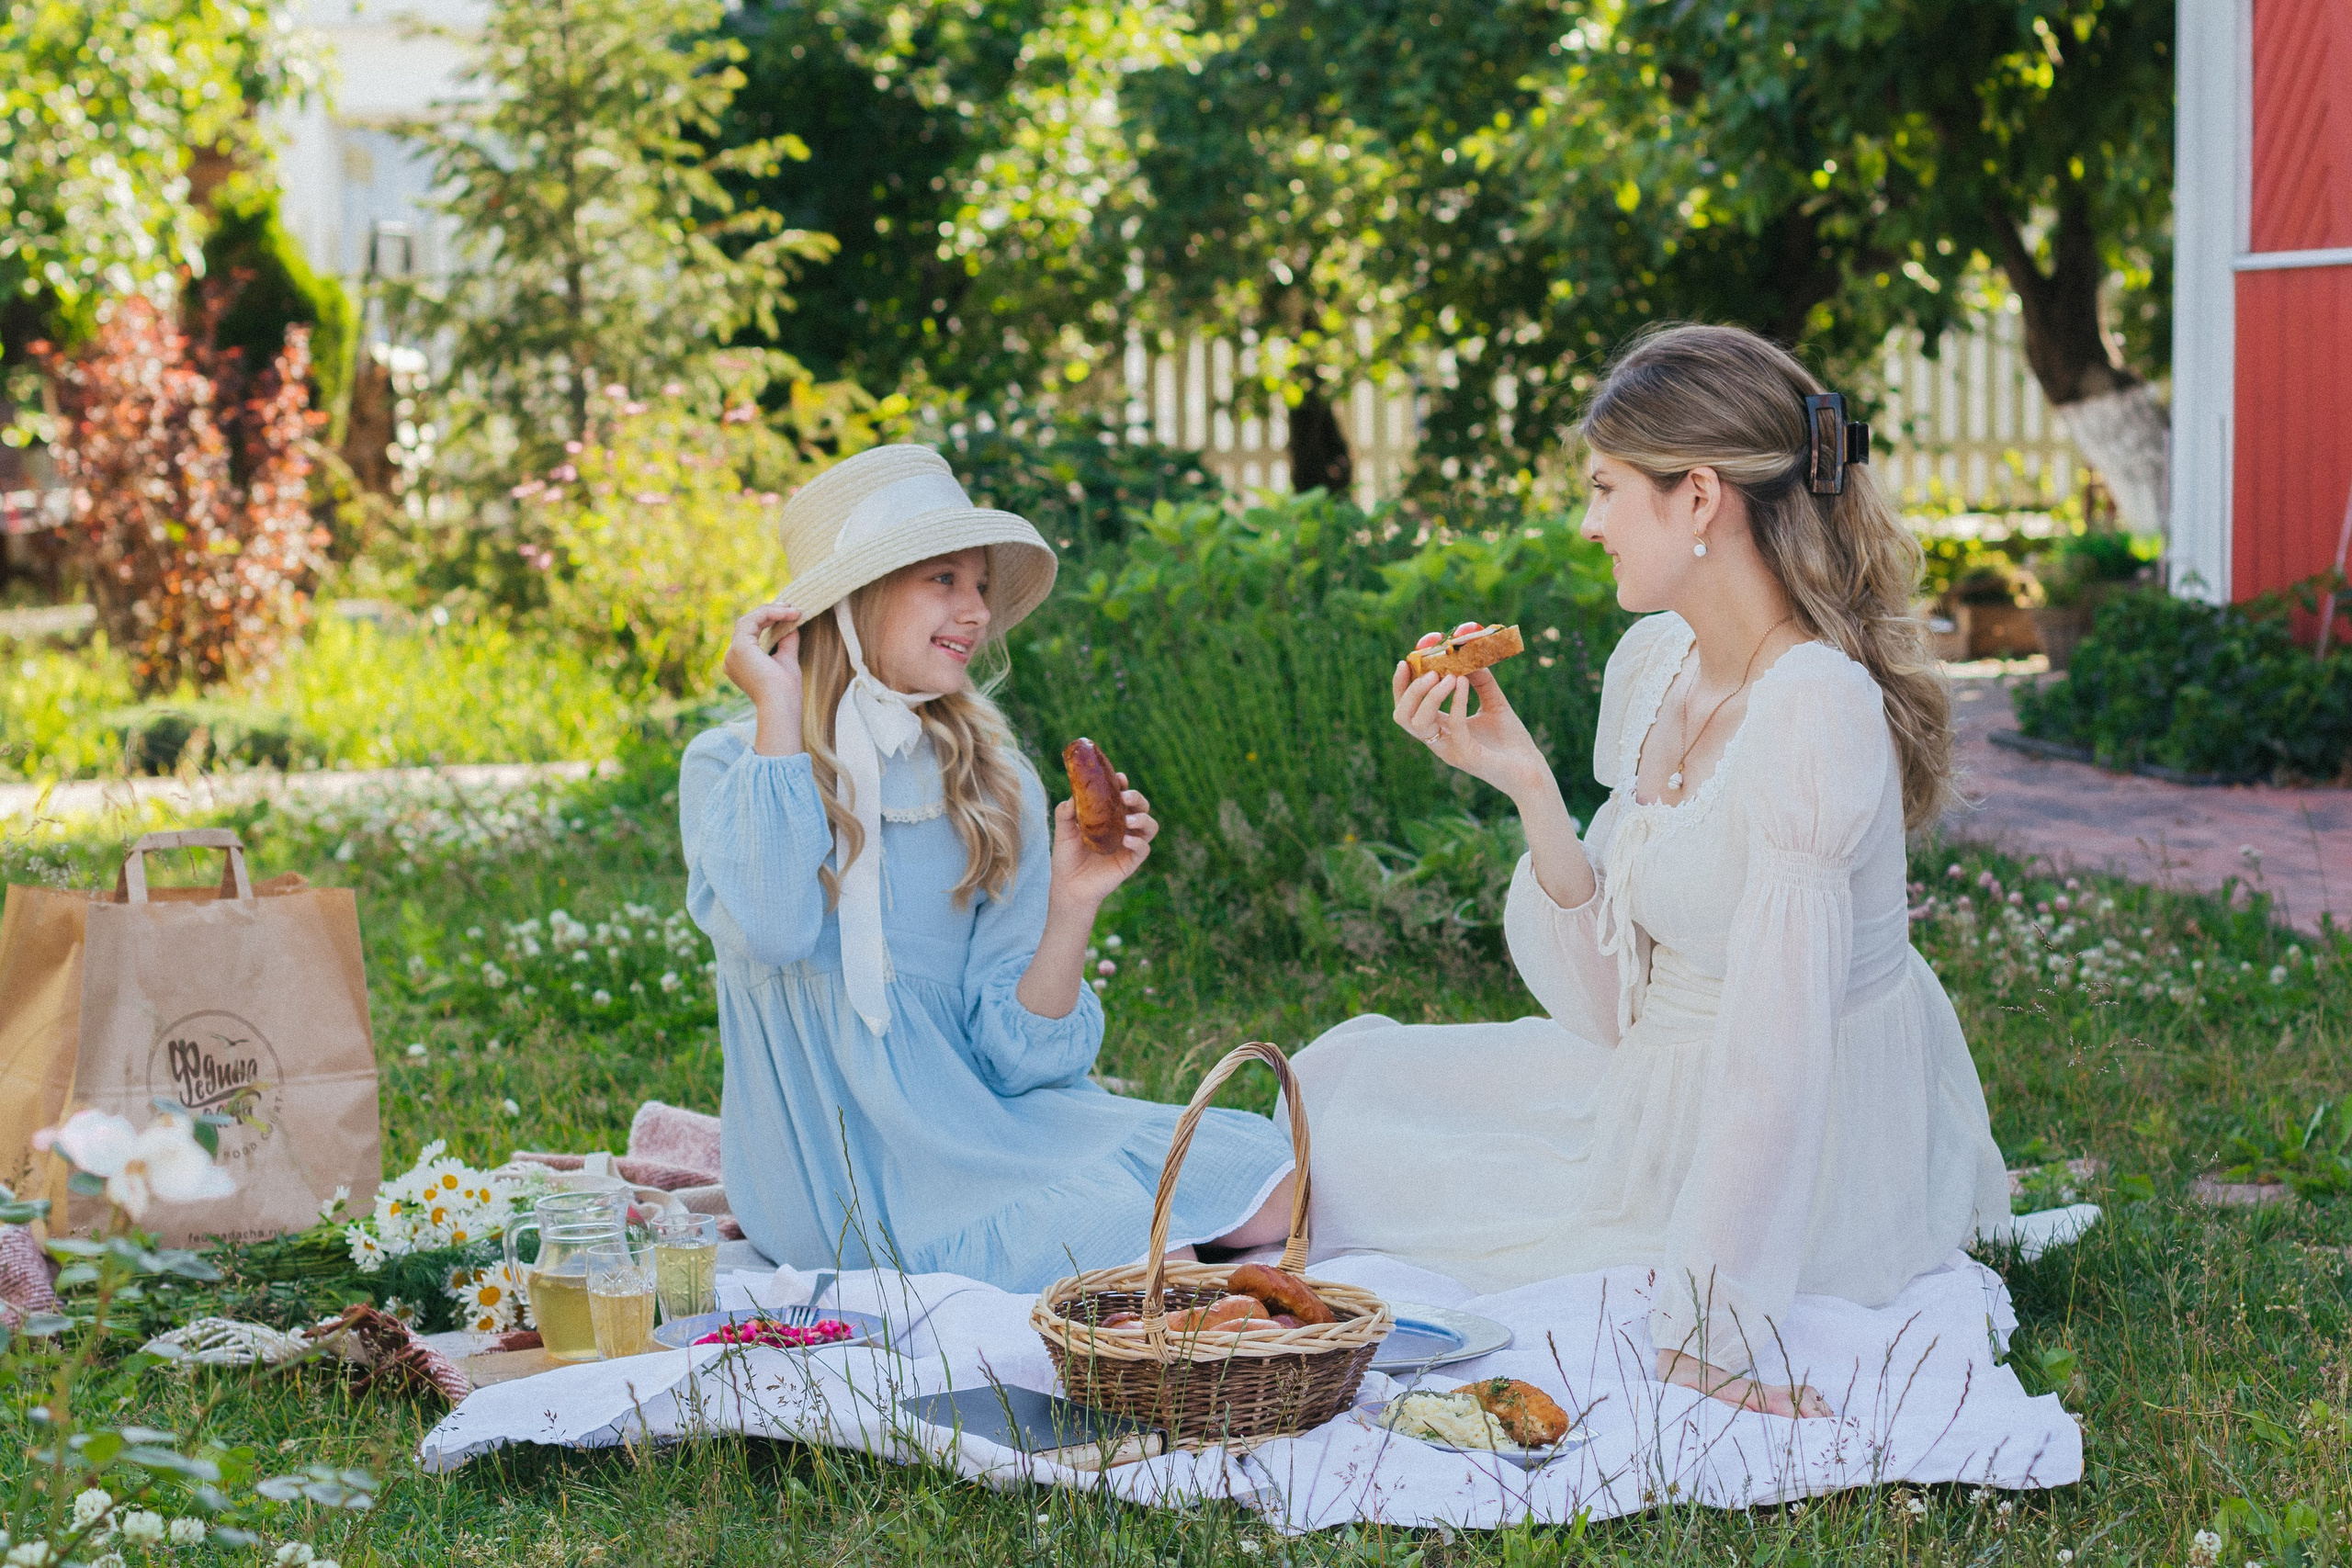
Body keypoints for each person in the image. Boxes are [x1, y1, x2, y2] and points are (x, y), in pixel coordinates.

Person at [1291, 324, 2010, 1418]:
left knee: (1371, 1174)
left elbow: (1777, 1059)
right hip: (1654, 1083)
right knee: (1332, 1096)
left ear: (1699, 497)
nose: (1588, 524)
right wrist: (1528, 786)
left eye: (1604, 488)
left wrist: (1712, 1333)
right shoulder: (1656, 664)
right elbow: (1609, 1007)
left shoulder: (1812, 710)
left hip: (1792, 1154)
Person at [682, 445, 1295, 1292]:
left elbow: (1018, 1063)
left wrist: (1073, 902)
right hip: (842, 1162)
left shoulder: (990, 776)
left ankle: (1109, 1225)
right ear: (856, 596)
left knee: (1276, 1183)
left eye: (980, 585)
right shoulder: (733, 766)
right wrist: (779, 714)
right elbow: (775, 928)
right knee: (1143, 1246)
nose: (976, 612)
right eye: (944, 579)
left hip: (982, 1114)